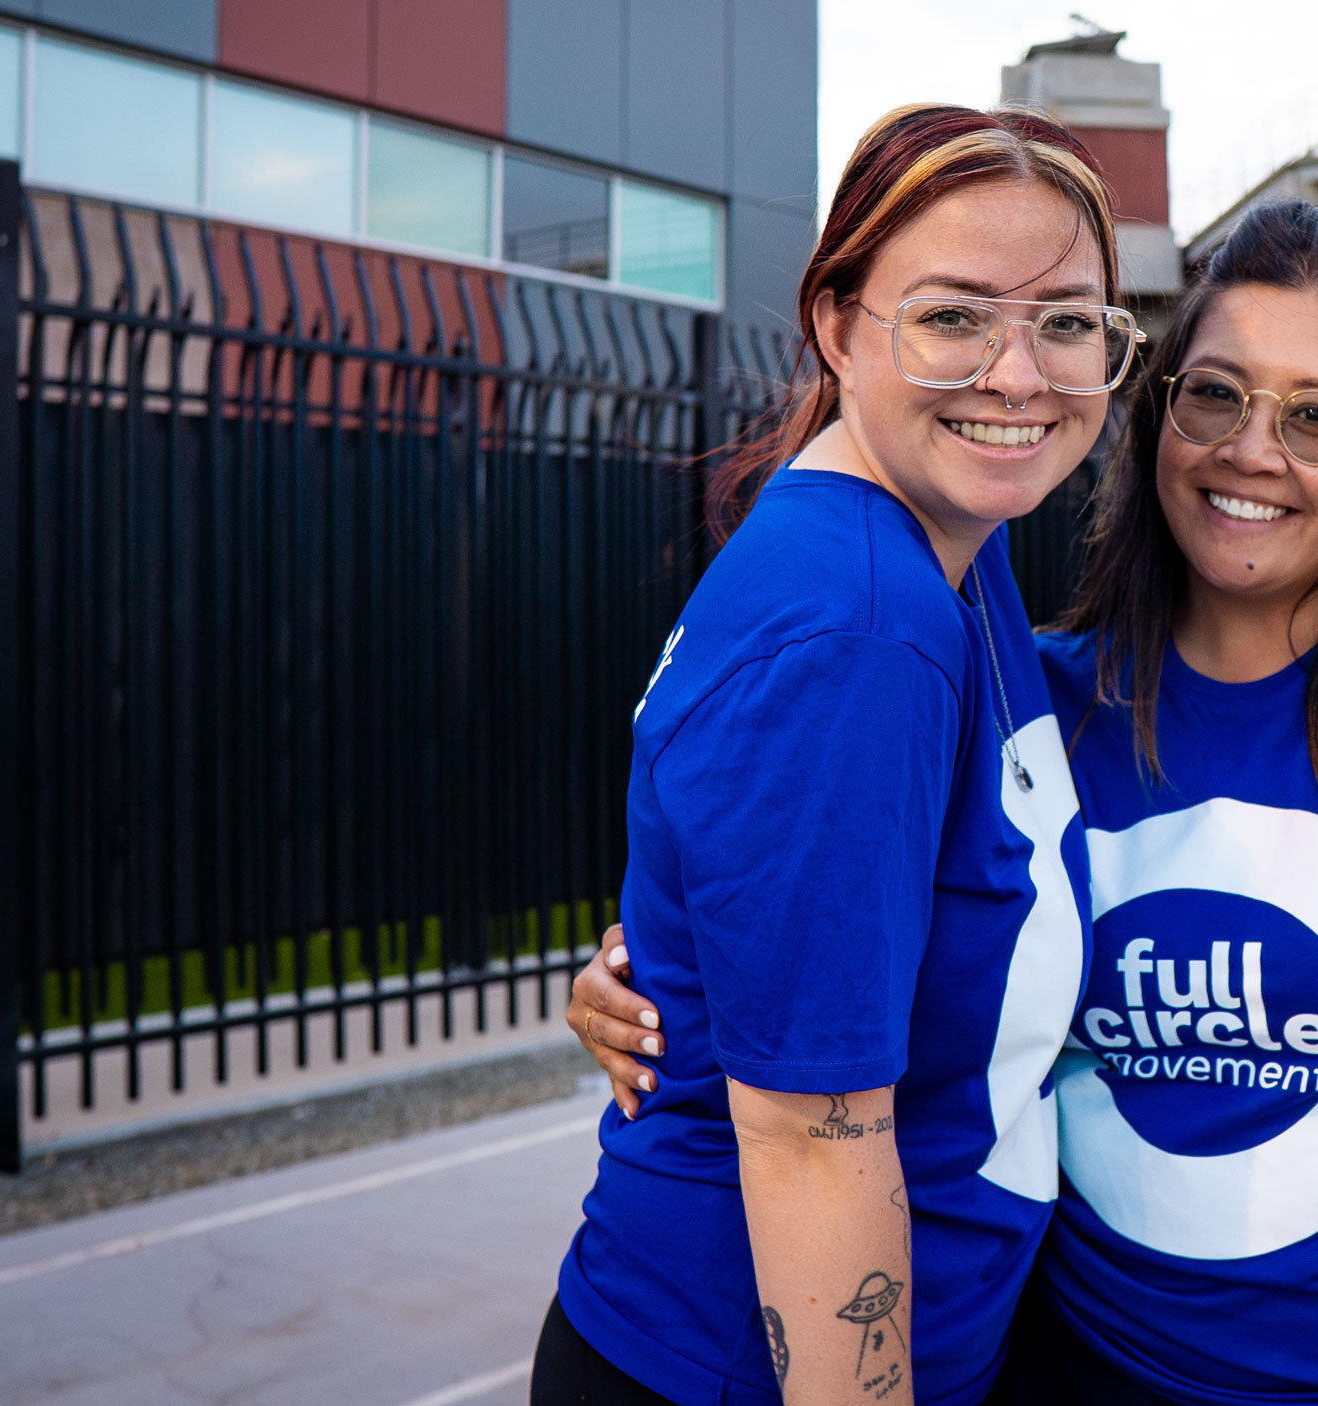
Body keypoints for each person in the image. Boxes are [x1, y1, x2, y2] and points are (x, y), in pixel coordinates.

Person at [570, 199, 1318, 1406]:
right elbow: (807, 905)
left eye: (1316, 417)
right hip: (1065, 1363)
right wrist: (646, 976)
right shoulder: (1036, 697)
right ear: (1157, 411)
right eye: (1215, 394)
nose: (1252, 449)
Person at [533, 104, 1137, 1406]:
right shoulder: (863, 626)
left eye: (1067, 320)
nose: (1019, 375)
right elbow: (814, 1141)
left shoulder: (951, 540)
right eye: (954, 316)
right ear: (837, 323)